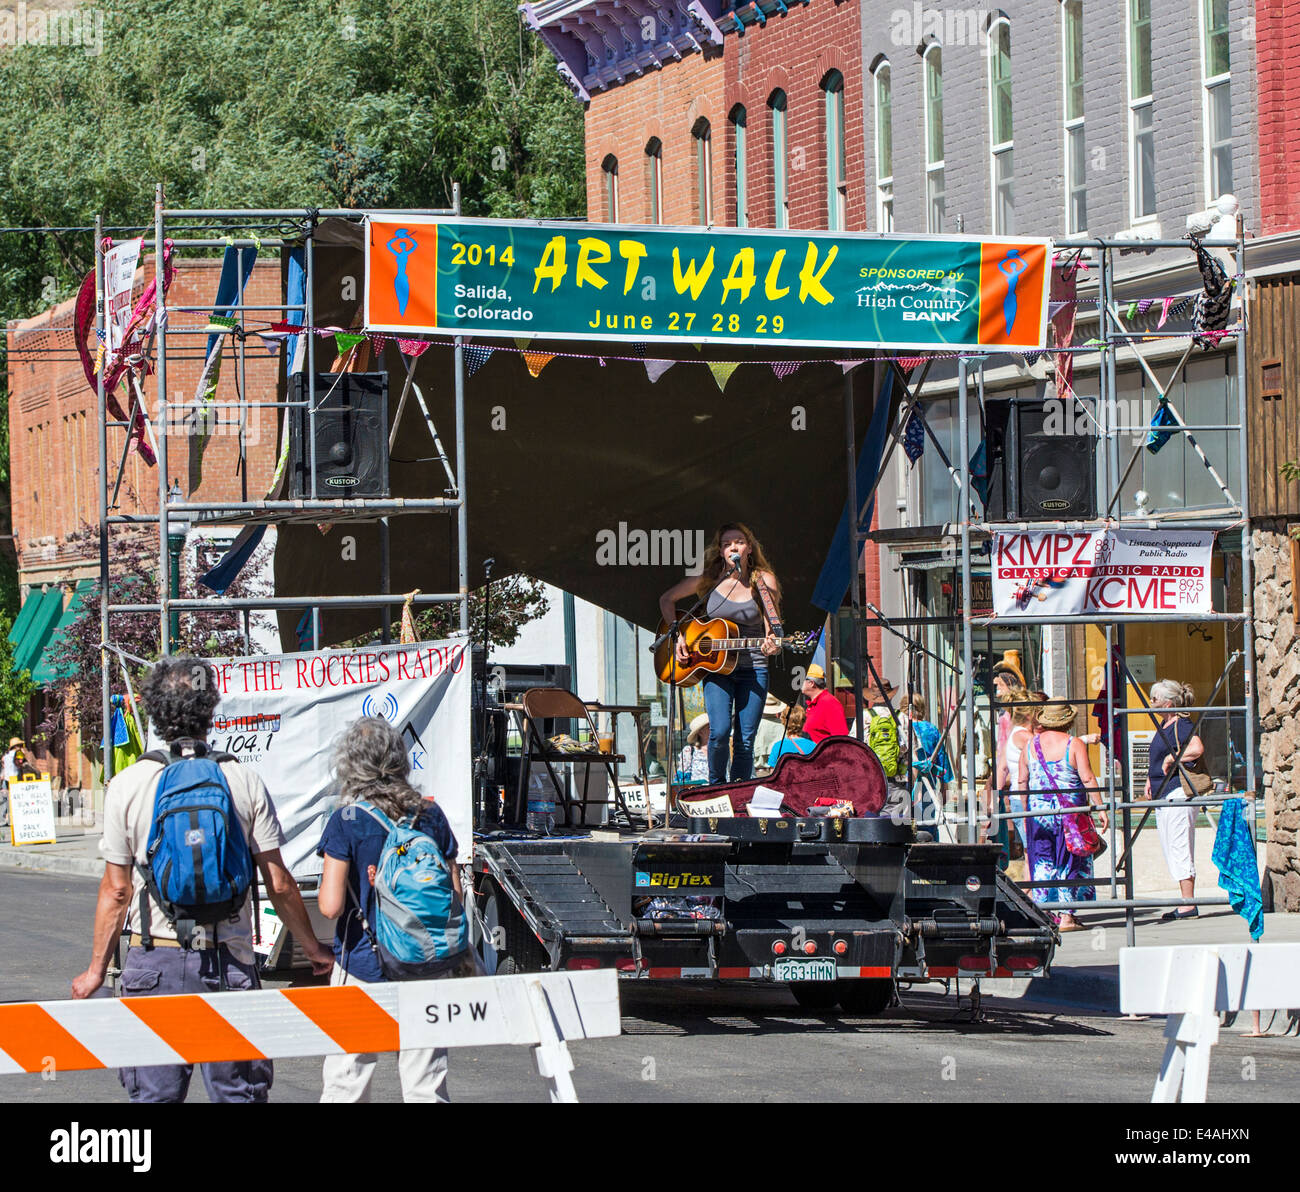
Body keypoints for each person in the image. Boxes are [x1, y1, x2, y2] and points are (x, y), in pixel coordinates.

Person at [71, 657, 333, 1103]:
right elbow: (279, 882)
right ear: (211, 711)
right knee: (239, 1097)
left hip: (155, 964)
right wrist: (311, 948)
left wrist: (96, 970)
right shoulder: (241, 778)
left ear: (154, 712)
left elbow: (117, 890)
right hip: (228, 962)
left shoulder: (128, 784)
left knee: (153, 1101)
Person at [316, 716, 473, 1103]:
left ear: (351, 766)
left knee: (347, 1078)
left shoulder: (346, 821)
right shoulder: (430, 816)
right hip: (424, 962)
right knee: (426, 1082)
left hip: (363, 964)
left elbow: (331, 905)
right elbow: (453, 893)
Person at [659, 523, 781, 783]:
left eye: (738, 542)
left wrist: (773, 642)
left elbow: (774, 628)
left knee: (745, 740)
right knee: (719, 732)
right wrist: (678, 637)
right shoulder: (711, 579)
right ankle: (716, 788)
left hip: (753, 667)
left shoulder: (763, 580)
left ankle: (737, 794)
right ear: (721, 551)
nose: (733, 547)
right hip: (716, 669)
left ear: (749, 547)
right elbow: (667, 599)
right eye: (727, 544)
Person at [1017, 700, 1108, 933]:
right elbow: (1087, 778)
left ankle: (1044, 913)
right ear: (1068, 721)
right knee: (1070, 860)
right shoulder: (1073, 744)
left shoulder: (1030, 745)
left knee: (1042, 861)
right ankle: (1067, 916)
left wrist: (1028, 810)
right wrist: (1100, 807)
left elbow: (1022, 781)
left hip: (1038, 814)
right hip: (1070, 815)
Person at [1143, 678, 1203, 921]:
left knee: (1179, 846)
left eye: (1155, 699)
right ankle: (1184, 902)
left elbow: (1196, 748)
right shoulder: (1164, 725)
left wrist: (1172, 758)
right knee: (1172, 846)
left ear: (1167, 703)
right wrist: (1151, 777)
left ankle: (1188, 905)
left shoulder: (1182, 724)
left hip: (1177, 792)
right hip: (1163, 792)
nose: (1151, 702)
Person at [908, 694, 953, 831]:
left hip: (907, 782)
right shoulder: (930, 729)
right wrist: (945, 786)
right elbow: (941, 757)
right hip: (928, 783)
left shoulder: (905, 728)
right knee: (928, 824)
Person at [801, 663, 849, 743]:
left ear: (811, 683)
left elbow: (841, 739)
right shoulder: (814, 703)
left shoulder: (829, 703)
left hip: (826, 754)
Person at [678, 713, 711, 783]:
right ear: (700, 732)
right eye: (709, 728)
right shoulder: (689, 751)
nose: (713, 730)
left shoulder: (721, 749)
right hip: (698, 792)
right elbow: (683, 779)